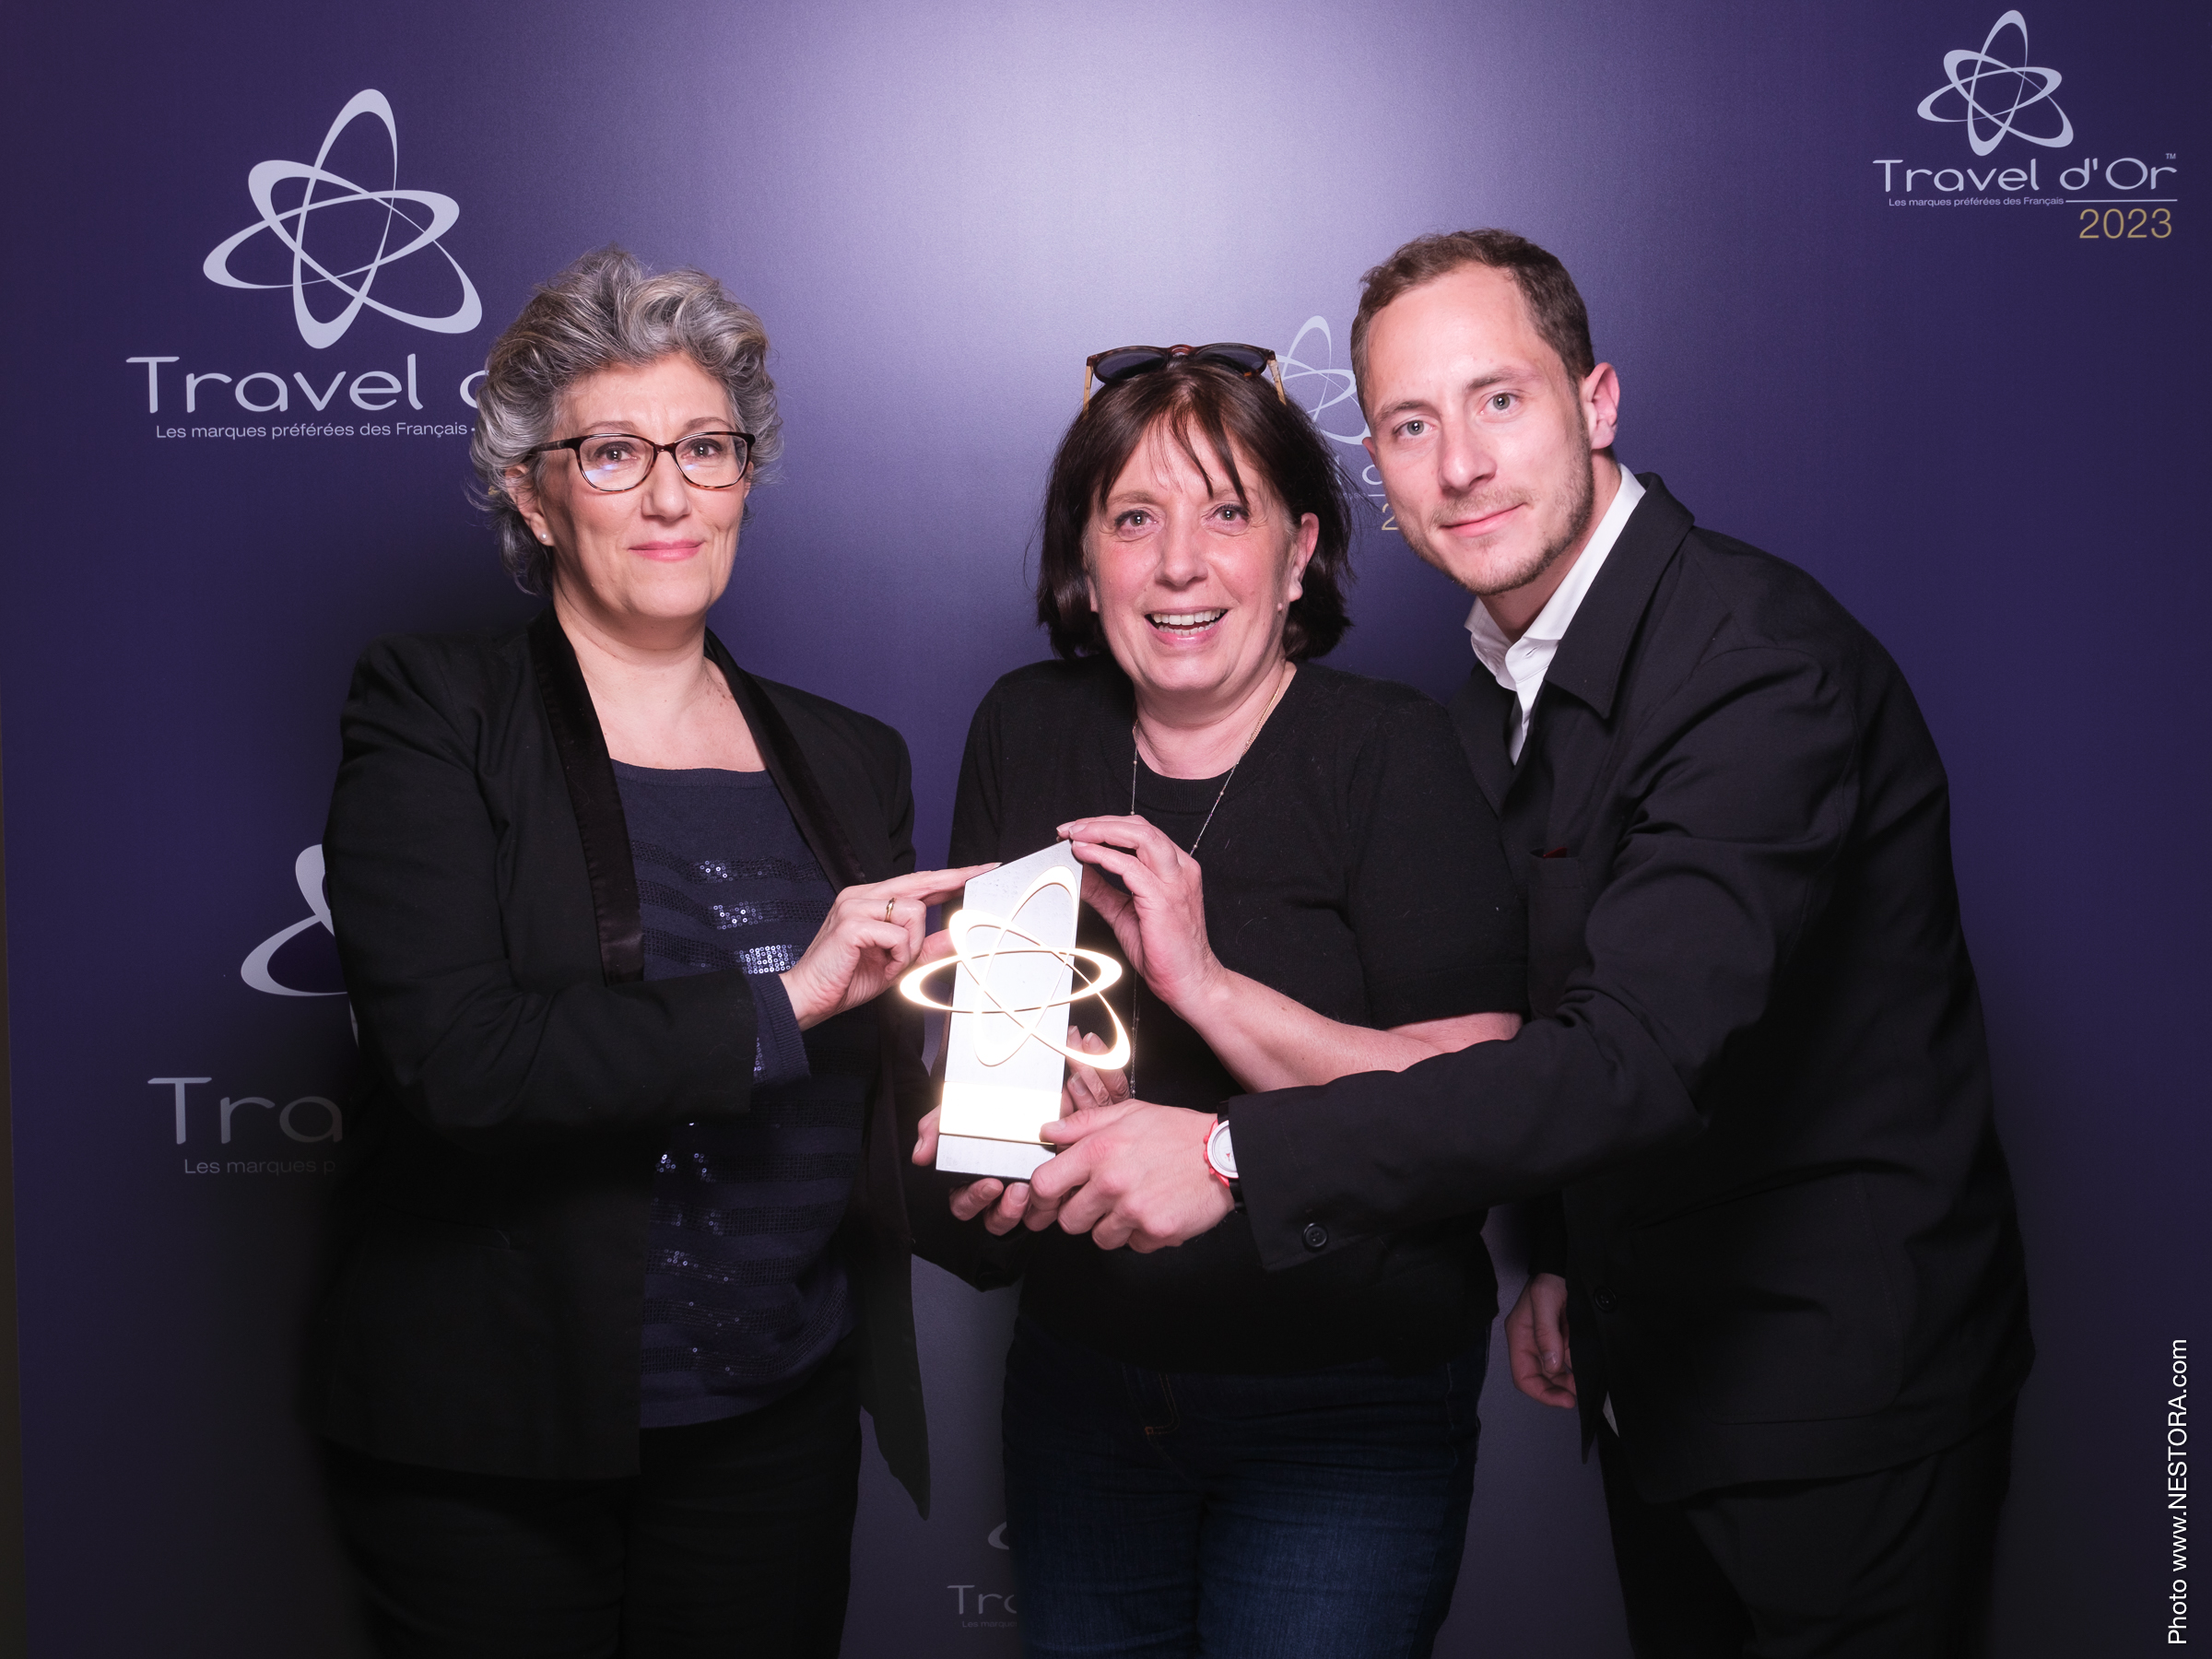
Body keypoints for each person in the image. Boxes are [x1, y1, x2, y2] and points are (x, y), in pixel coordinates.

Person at [1027, 233, 2034, 1658]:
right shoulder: (1506, 687)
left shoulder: (1752, 667)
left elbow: (1629, 1055)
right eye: (1411, 425)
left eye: (1500, 401)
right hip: (1658, 1372)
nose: (1462, 466)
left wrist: (1224, 1154)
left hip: (1840, 1397)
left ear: (1598, 401)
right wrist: (1566, 1254)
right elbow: (1595, 979)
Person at [309, 247, 985, 1658]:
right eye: (613, 453)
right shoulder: (435, 709)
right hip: (496, 1439)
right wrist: (781, 1000)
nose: (670, 493)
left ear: (746, 474)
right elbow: (458, 1057)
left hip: (773, 1421)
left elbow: (880, 1068)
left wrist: (1009, 1112)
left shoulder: (853, 759)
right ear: (533, 494)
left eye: (705, 448)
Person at [912, 343, 1525, 1659]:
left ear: (1299, 551)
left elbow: (1480, 1090)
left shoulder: (1391, 751)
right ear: (1087, 555)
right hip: (1084, 1388)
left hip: (1345, 1401)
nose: (1179, 564)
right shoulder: (1027, 728)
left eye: (1226, 513)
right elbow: (984, 1045)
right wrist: (1010, 1142)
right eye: (1135, 517)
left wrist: (1205, 984)